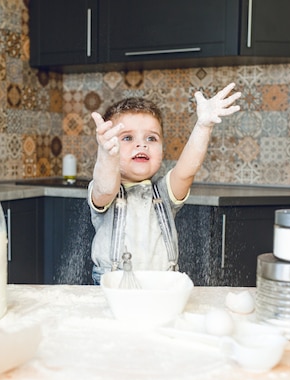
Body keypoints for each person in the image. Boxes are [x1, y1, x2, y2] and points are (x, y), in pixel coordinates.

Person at [88, 82, 241, 284]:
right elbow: (105, 185)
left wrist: (203, 126)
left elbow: (186, 171)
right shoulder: (106, 193)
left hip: (162, 285)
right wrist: (106, 155)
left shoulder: (163, 194)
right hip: (114, 285)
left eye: (151, 138)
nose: (141, 144)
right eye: (127, 138)